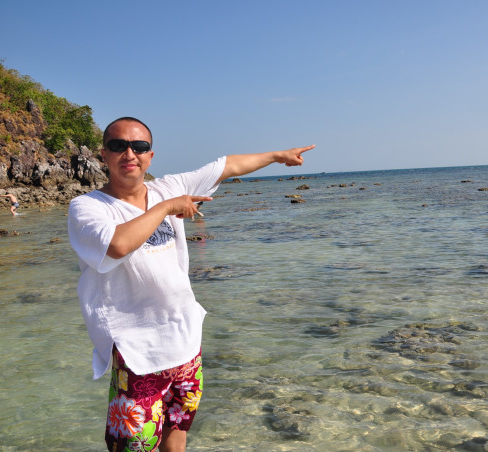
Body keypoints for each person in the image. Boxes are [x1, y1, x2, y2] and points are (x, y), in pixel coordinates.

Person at [67, 117, 314, 452]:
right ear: (104, 154)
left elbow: (227, 166)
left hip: (185, 343)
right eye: (118, 145)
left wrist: (277, 156)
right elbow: (117, 245)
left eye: (139, 146)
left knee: (177, 431)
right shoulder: (88, 207)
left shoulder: (169, 186)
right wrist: (168, 207)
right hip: (137, 352)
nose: (129, 153)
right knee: (132, 446)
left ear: (150, 155)